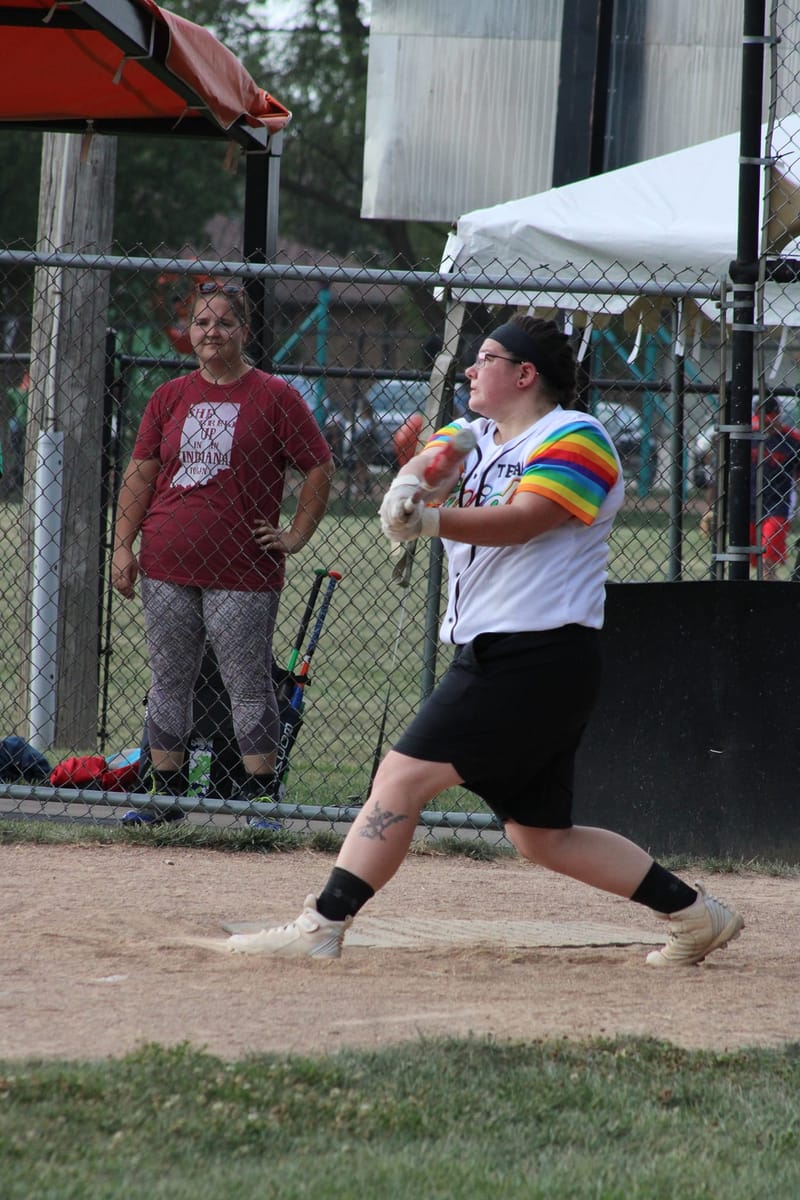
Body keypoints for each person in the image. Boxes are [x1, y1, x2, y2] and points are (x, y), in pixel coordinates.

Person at [223, 315, 744, 967]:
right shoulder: (475, 434)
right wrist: (410, 484)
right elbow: (437, 456)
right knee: (540, 836)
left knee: (400, 778)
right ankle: (696, 915)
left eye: (486, 358)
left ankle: (321, 925)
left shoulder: (577, 436)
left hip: (536, 653)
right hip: (512, 655)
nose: (470, 369)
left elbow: (526, 519)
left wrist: (430, 521)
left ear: (525, 374)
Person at [111, 280, 334, 825]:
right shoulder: (169, 397)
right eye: (202, 322)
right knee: (169, 680)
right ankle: (165, 796)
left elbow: (319, 466)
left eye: (224, 323)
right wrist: (121, 546)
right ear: (190, 332)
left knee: (247, 683)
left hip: (242, 568)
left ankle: (260, 800)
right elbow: (140, 475)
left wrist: (296, 534)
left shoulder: (275, 396)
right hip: (167, 561)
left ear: (244, 330)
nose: (212, 332)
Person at [749, 396, 800, 580]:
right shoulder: (748, 436)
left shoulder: (793, 440)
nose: (766, 427)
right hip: (748, 501)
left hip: (779, 502)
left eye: (770, 421)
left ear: (778, 416)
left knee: (768, 557)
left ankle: (769, 585)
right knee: (745, 555)